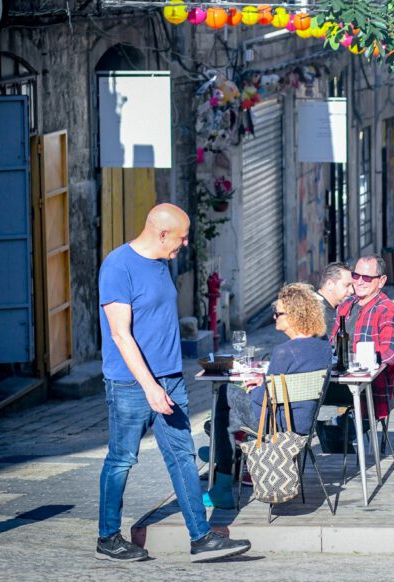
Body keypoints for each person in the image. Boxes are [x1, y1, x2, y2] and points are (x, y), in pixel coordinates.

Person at [96, 203, 250, 563]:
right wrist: (150, 387)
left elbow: (158, 323)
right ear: (161, 233)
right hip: (131, 385)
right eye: (181, 238)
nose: (184, 244)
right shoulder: (118, 267)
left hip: (171, 379)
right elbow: (121, 335)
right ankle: (107, 537)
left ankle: (201, 537)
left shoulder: (162, 263)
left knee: (181, 457)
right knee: (121, 459)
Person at [209, 284, 335, 502]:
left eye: (279, 313)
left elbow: (262, 401)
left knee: (225, 394)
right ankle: (221, 454)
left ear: (295, 315)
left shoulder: (284, 352)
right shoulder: (323, 347)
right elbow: (281, 386)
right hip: (304, 422)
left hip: (277, 424)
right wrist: (265, 382)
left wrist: (254, 388)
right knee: (226, 420)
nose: (274, 316)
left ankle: (222, 474)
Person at [327, 255, 394, 421]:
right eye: (356, 275)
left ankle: (338, 433)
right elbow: (332, 343)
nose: (359, 282)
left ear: (381, 281)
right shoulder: (346, 305)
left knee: (333, 422)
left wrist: (358, 358)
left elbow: (392, 352)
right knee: (301, 396)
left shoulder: (386, 310)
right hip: (338, 380)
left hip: (369, 390)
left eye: (367, 277)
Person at [315, 262, 353, 339]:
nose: (352, 290)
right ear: (329, 284)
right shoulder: (323, 314)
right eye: (347, 285)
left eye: (352, 286)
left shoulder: (313, 303)